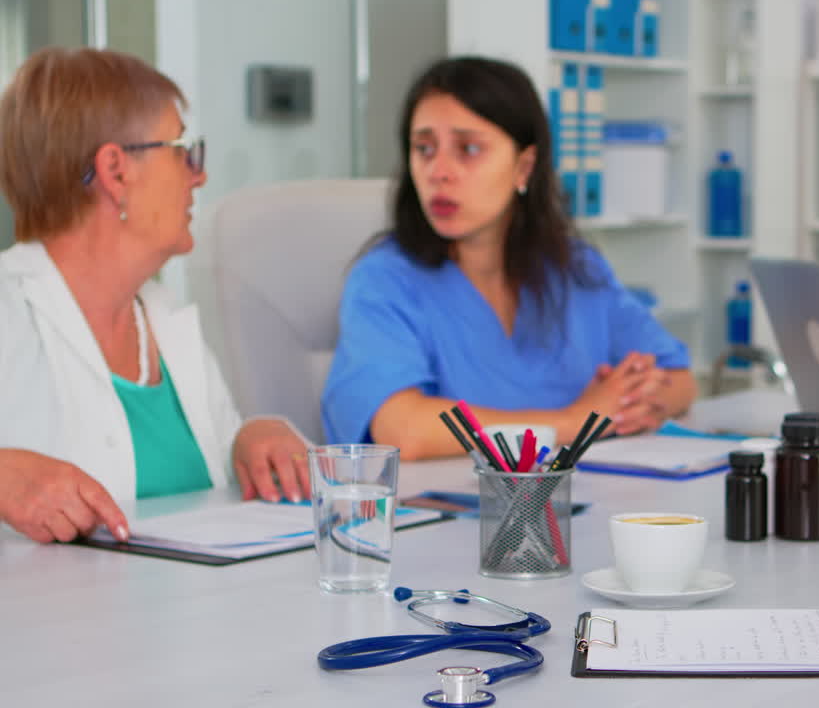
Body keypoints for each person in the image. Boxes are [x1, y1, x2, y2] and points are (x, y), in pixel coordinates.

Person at [0, 48, 309, 545]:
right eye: (183, 151)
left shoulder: (164, 317)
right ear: (116, 171)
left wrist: (249, 438)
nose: (199, 175)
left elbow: (199, 475)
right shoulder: (7, 310)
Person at [322, 57, 696, 460]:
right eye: (424, 149)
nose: (439, 171)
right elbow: (404, 429)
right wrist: (573, 422)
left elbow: (679, 379)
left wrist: (639, 404)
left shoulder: (575, 268)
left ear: (524, 166)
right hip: (459, 515)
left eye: (468, 149)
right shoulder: (385, 279)